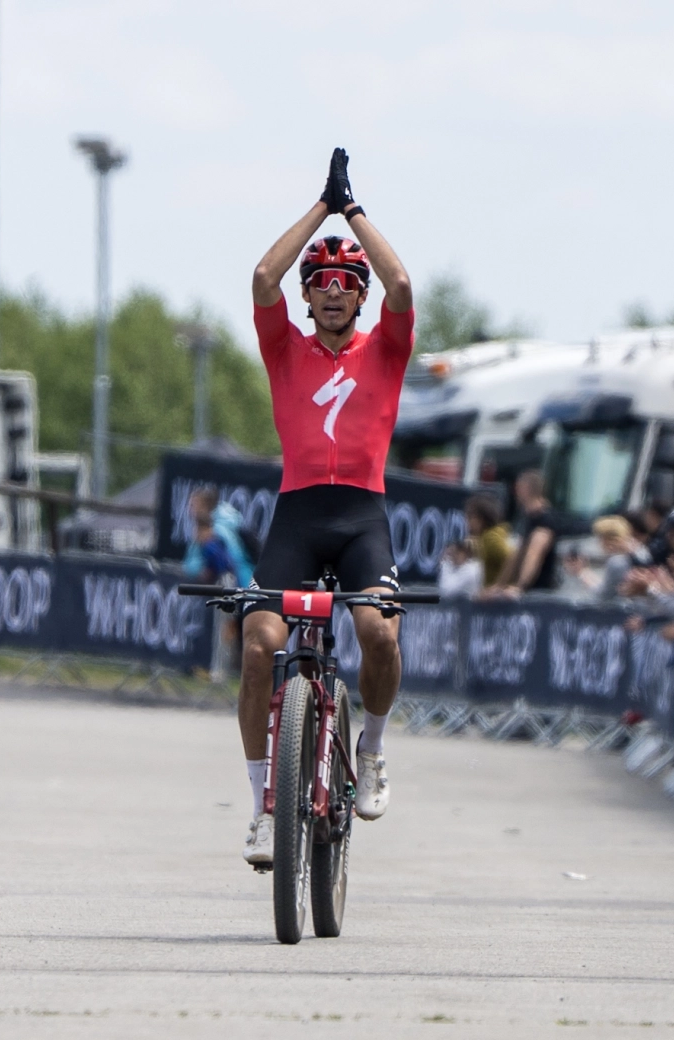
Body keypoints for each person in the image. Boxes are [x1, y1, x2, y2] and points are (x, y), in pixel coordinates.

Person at [238, 148, 415, 866]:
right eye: (321, 284)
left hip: (361, 517)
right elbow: (262, 277)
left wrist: (354, 211)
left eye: (347, 284)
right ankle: (262, 807)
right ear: (307, 298)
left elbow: (402, 283)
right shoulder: (285, 350)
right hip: (299, 517)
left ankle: (369, 751)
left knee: (379, 635)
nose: (334, 292)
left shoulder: (385, 351)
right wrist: (321, 206)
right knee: (258, 645)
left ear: (360, 298)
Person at [485, 470, 559, 597]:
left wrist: (520, 587)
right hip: (527, 591)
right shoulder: (528, 518)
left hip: (538, 593)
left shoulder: (544, 520)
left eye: (518, 488)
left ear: (526, 489)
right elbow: (515, 554)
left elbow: (534, 553)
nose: (515, 493)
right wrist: (499, 586)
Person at [465, 493, 512, 587]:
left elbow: (512, 558)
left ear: (481, 519)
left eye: (470, 518)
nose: (467, 522)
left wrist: (498, 586)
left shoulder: (490, 538)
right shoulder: (485, 538)